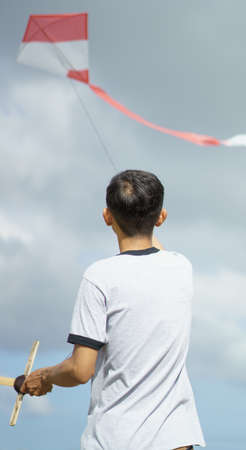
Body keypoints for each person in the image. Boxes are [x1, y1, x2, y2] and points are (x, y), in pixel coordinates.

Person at [20, 170, 206, 450]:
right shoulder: (181, 267)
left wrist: (45, 376)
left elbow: (80, 370)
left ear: (107, 217)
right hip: (176, 441)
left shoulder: (99, 277)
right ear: (162, 217)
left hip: (117, 440)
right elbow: (153, 252)